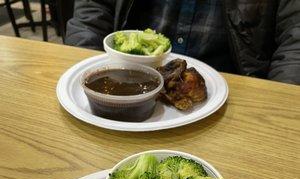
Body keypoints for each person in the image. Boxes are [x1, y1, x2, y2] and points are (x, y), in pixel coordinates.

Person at [65, 0, 300, 85]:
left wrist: (277, 101)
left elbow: (294, 41)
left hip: (233, 91)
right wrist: (85, 77)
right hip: (124, 80)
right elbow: (91, 14)